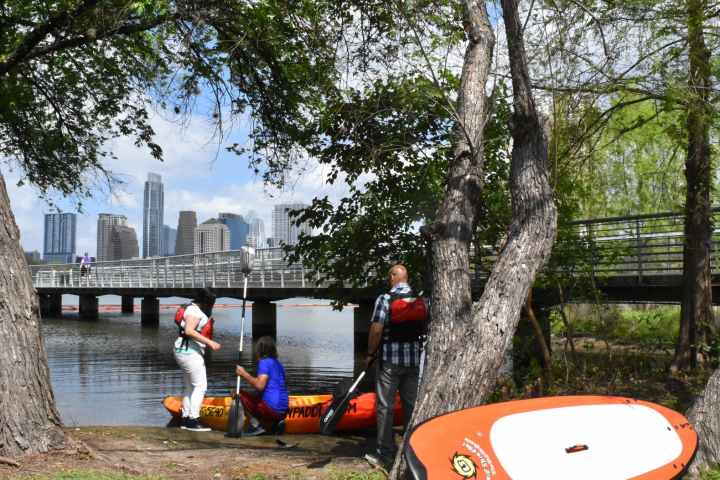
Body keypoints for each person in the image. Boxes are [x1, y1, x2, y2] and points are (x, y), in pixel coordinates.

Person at [364, 264, 428, 470]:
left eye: (389, 276)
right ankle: (411, 450)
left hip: (390, 363)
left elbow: (376, 330)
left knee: (385, 407)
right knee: (410, 406)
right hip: (413, 362)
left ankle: (385, 454)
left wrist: (370, 354)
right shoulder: (421, 300)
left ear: (393, 277)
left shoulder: (385, 299)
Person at [174, 288, 221, 432]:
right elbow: (189, 330)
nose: (212, 305)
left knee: (190, 387)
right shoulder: (194, 312)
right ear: (206, 301)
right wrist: (210, 342)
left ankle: (186, 419)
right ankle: (193, 420)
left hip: (184, 350)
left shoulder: (190, 309)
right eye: (211, 302)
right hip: (189, 353)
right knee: (201, 386)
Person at [235, 336, 289, 436]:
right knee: (255, 395)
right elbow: (272, 387)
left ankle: (256, 425)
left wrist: (243, 374)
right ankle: (275, 424)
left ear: (259, 349)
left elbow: (260, 386)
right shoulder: (278, 364)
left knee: (237, 394)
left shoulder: (264, 362)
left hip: (272, 409)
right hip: (284, 410)